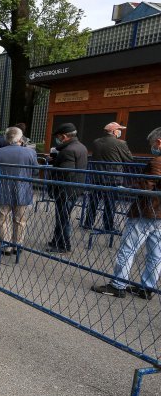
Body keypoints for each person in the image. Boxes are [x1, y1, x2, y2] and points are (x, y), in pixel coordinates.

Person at [92, 127, 161, 299]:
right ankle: (147, 287)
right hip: (159, 215)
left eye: (153, 144)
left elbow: (147, 185)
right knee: (155, 253)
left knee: (128, 248)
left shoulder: (157, 162)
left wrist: (128, 187)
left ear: (159, 143)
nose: (152, 147)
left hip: (146, 212)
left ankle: (118, 284)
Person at [0, 127, 39, 255]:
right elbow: (35, 171)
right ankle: (17, 245)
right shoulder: (30, 153)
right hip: (23, 190)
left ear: (6, 138)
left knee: (2, 219)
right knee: (20, 220)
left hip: (3, 189)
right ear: (20, 138)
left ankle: (5, 245)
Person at [83, 122, 134, 232]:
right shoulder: (120, 143)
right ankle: (108, 226)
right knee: (110, 203)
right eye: (119, 129)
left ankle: (88, 223)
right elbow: (129, 158)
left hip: (97, 177)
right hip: (113, 178)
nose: (120, 132)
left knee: (93, 201)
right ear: (115, 131)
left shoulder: (96, 142)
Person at [47, 122, 88, 254]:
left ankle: (64, 245)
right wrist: (56, 160)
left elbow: (65, 172)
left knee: (63, 217)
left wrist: (55, 166)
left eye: (58, 137)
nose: (57, 139)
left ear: (64, 136)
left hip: (65, 190)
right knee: (63, 216)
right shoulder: (81, 147)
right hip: (75, 188)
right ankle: (56, 240)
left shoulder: (68, 150)